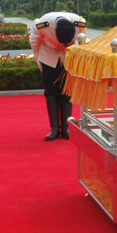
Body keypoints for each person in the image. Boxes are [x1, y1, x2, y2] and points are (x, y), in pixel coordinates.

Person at [30, 12, 84, 141]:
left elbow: (82, 43)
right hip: (49, 56)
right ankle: (54, 128)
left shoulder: (79, 23)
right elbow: (34, 42)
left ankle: (66, 127)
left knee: (67, 90)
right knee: (51, 91)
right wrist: (39, 60)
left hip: (68, 57)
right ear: (54, 31)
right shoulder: (42, 24)